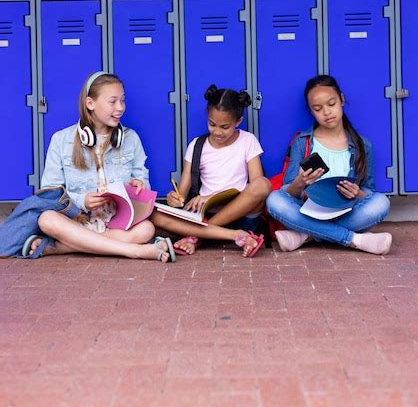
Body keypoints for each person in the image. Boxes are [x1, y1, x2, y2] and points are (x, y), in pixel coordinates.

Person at [26, 71, 174, 262]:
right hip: (76, 221)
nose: (120, 107)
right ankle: (134, 251)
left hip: (116, 223)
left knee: (147, 229)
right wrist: (82, 200)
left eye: (122, 100)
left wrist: (139, 185)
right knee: (46, 219)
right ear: (90, 103)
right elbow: (50, 193)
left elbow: (143, 182)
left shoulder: (131, 139)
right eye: (113, 102)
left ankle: (60, 248)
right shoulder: (61, 140)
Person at [266, 75, 391, 255]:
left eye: (331, 104)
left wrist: (357, 193)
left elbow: (368, 192)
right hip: (308, 211)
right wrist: (300, 182)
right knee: (274, 200)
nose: (326, 112)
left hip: (347, 211)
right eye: (318, 108)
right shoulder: (302, 142)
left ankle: (306, 235)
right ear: (311, 112)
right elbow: (288, 192)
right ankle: (355, 239)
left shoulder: (363, 145)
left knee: (381, 203)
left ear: (342, 99)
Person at [152, 85, 271, 256]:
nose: (217, 132)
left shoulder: (247, 141)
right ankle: (219, 235)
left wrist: (212, 197)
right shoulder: (196, 145)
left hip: (240, 215)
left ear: (238, 122)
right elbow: (182, 193)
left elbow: (257, 184)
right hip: (204, 215)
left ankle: (196, 236)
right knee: (154, 214)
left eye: (225, 127)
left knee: (263, 185)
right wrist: (174, 198)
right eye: (212, 124)